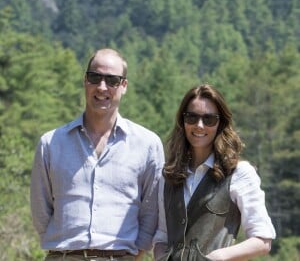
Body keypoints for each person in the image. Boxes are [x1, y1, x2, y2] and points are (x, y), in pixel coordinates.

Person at [30, 48, 165, 261]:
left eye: (112, 80)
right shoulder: (51, 143)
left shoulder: (147, 144)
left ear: (124, 86)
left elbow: (151, 213)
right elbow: (40, 211)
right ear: (85, 80)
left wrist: (134, 255)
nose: (102, 87)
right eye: (95, 77)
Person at [153, 84, 276, 261]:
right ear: (183, 121)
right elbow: (162, 236)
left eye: (209, 119)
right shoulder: (168, 176)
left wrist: (218, 256)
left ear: (220, 123)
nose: (199, 125)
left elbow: (263, 239)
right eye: (192, 117)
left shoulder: (240, 173)